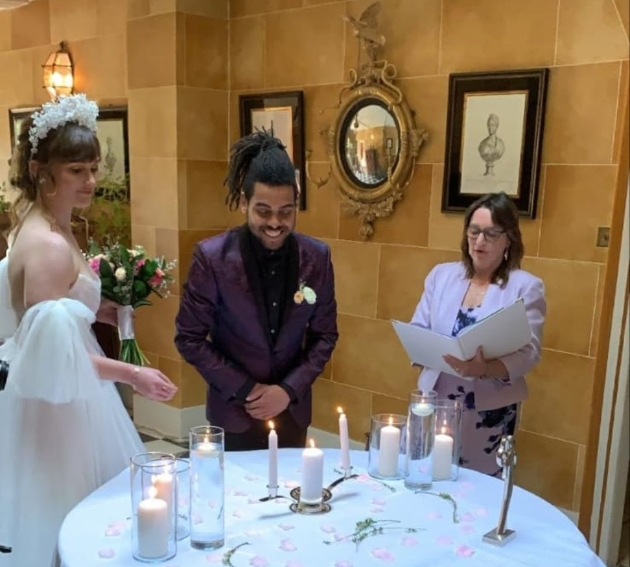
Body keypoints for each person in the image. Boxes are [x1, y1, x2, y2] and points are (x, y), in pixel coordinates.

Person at [0, 94, 177, 567]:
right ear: (43, 171)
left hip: (69, 391)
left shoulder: (50, 228)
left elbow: (55, 314)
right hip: (55, 405)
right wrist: (132, 374)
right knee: (68, 512)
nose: (91, 181)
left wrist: (100, 310)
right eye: (77, 170)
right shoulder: (47, 246)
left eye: (94, 168)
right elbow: (53, 355)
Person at [175, 130, 338, 451]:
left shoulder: (317, 257)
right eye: (263, 211)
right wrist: (248, 389)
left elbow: (325, 336)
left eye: (286, 211)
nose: (275, 222)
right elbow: (189, 338)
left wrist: (287, 390)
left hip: (291, 413)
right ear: (243, 202)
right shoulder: (212, 258)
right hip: (235, 413)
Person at [410, 192, 545, 477]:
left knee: (478, 489)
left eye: (491, 234)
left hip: (488, 409)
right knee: (427, 475)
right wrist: (419, 350)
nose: (479, 241)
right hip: (436, 398)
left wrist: (485, 368)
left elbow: (530, 351)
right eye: (474, 231)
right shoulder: (441, 275)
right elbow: (420, 326)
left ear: (508, 238)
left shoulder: (525, 286)